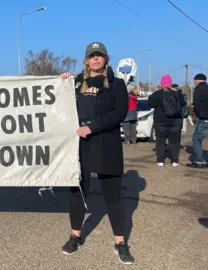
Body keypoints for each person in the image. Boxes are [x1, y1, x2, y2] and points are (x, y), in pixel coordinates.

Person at [60, 42, 134, 265]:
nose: (96, 59)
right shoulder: (75, 83)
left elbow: (119, 112)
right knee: (78, 193)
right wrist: (60, 82)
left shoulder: (116, 84)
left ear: (106, 59)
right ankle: (75, 236)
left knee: (113, 196)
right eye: (92, 56)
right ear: (86, 60)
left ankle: (120, 242)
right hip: (79, 146)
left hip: (107, 144)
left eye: (99, 55)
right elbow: (58, 103)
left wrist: (92, 127)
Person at [148, 75, 186, 167]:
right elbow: (183, 104)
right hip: (176, 122)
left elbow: (150, 104)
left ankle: (161, 160)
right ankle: (175, 161)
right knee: (175, 142)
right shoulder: (178, 94)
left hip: (160, 122)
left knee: (160, 141)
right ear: (170, 83)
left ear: (161, 83)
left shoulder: (157, 94)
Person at [187, 73, 208, 168]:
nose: (194, 83)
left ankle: (199, 161)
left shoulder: (198, 90)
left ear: (197, 80)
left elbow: (197, 105)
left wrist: (198, 115)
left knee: (196, 139)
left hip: (204, 118)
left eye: (194, 81)